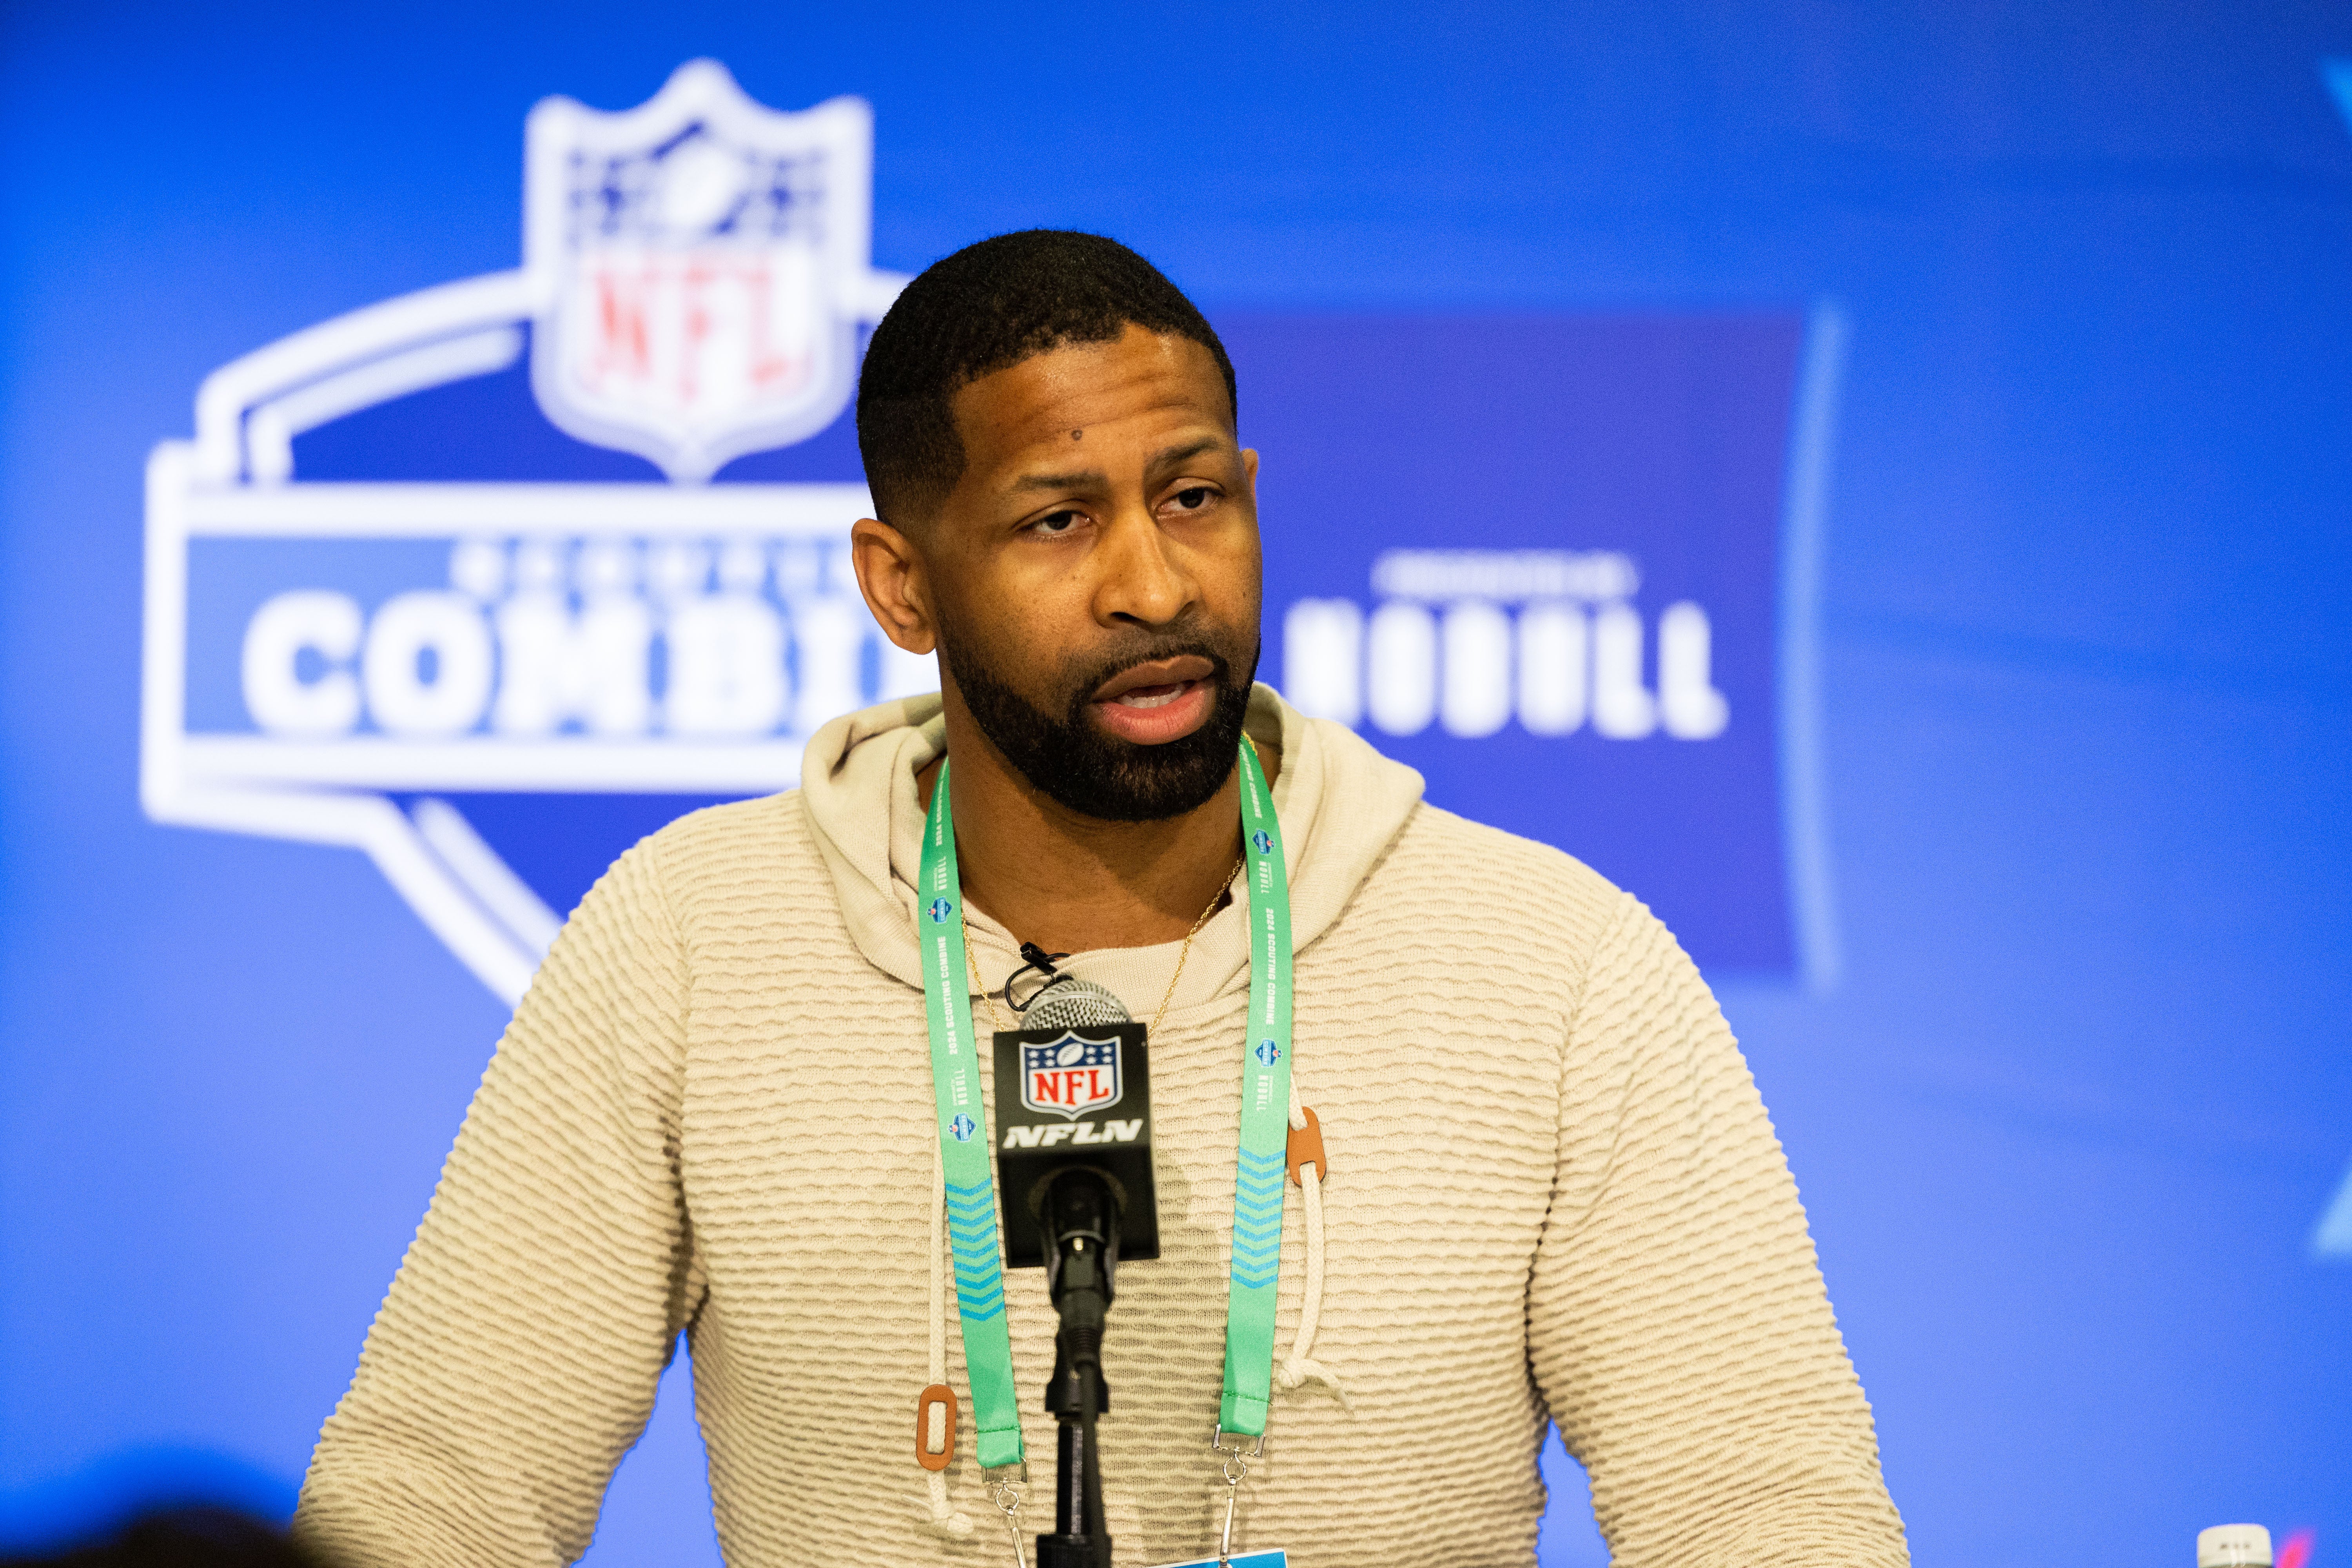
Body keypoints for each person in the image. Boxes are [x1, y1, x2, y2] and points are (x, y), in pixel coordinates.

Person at [292, 230, 1907, 1567]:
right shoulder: (692, 939)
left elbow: (1765, 1510)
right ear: (901, 582)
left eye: (1194, 496)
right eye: (1060, 520)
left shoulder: (1555, 963)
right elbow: (437, 1491)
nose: (1156, 581)